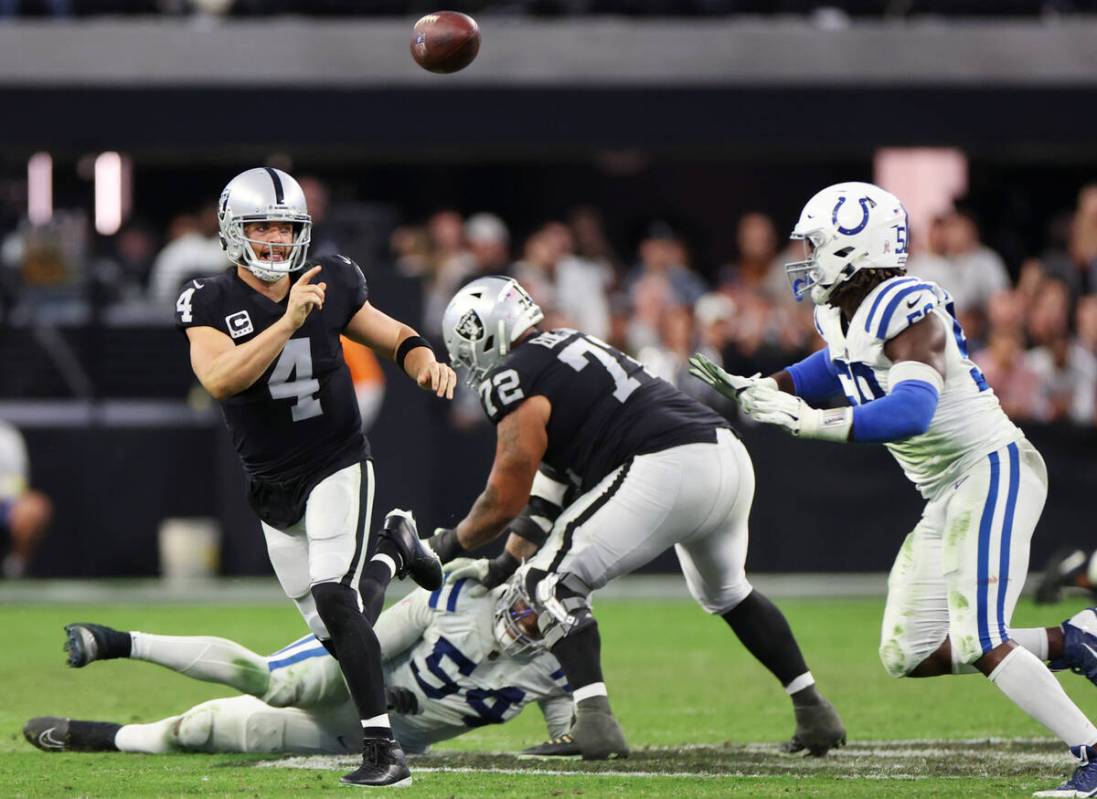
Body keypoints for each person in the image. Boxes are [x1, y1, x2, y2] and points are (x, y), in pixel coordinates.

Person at [689, 181, 1097, 798]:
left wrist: (813, 422)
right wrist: (770, 384)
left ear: (856, 248)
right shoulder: (843, 310)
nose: (805, 259)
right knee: (910, 650)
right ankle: (1075, 641)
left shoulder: (908, 305)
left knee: (983, 636)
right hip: (948, 489)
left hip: (990, 468)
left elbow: (911, 410)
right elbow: (839, 363)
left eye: (817, 245)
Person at [428, 275, 846, 761]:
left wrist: (448, 544)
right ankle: (814, 709)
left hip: (669, 463)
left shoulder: (514, 375)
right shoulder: (569, 344)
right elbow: (545, 498)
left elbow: (505, 497)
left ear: (483, 332)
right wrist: (503, 564)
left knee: (548, 581)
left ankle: (596, 724)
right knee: (728, 592)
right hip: (725, 454)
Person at [169, 167, 454, 787]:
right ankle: (392, 554)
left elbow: (393, 333)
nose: (274, 240)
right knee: (339, 629)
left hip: (336, 461)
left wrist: (423, 356)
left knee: (333, 595)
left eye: (285, 226)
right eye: (261, 226)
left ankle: (385, 754)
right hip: (271, 484)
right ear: (231, 230)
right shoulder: (208, 300)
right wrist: (287, 321)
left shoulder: (332, 278)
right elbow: (220, 380)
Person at [23, 575, 572, 757]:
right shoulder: (455, 600)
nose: (524, 621)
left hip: (363, 741)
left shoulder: (553, 674)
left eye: (540, 620)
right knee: (279, 682)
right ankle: (119, 641)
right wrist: (376, 693)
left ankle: (100, 737)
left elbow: (572, 743)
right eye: (525, 604)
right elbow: (365, 643)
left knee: (201, 729)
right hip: (348, 681)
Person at [0, 419, 51, 578]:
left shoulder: (6, 436)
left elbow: (18, 482)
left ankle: (15, 567)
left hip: (5, 503)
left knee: (35, 508)